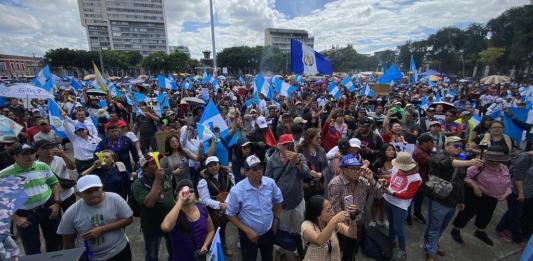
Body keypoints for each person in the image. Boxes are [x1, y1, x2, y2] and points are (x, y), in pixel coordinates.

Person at [423, 136, 484, 261]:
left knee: (441, 227)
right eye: (456, 146)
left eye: (460, 146)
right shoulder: (438, 157)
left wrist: (461, 200)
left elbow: (461, 182)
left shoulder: (459, 159)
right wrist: (470, 162)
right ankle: (430, 251)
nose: (459, 149)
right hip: (438, 200)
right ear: (447, 145)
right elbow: (446, 163)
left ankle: (432, 244)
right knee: (434, 227)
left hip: (452, 202)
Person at [0, 144, 62, 255]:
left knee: (55, 241)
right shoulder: (5, 174)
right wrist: (16, 218)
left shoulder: (42, 166)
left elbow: (54, 183)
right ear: (15, 157)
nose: (30, 157)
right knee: (32, 248)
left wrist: (56, 203)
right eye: (24, 154)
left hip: (47, 208)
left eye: (31, 153)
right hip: (24, 215)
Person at [57, 175, 133, 261]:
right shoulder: (71, 213)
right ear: (78, 194)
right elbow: (68, 241)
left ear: (102, 188)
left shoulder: (115, 199)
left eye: (97, 189)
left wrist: (102, 229)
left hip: (119, 252)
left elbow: (129, 219)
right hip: (90, 257)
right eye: (88, 192)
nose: (94, 194)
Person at [226, 155, 283, 261]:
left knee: (268, 257)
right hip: (249, 236)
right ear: (246, 172)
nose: (259, 172)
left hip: (268, 231)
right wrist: (247, 230)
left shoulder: (270, 183)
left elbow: (278, 201)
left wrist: (276, 219)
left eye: (261, 168)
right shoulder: (237, 191)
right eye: (255, 169)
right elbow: (230, 214)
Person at [451, 148, 512, 246]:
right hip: (476, 196)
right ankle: (456, 230)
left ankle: (480, 231)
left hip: (492, 198)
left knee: (486, 216)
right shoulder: (478, 167)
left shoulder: (504, 168)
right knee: (466, 214)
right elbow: (465, 177)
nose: (496, 162)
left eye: (498, 159)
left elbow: (508, 182)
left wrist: (506, 193)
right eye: (493, 159)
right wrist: (475, 186)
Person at [266, 133, 311, 257]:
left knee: (298, 227)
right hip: (281, 204)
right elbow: (268, 182)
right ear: (279, 146)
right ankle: (281, 246)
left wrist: (298, 162)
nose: (288, 147)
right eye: (285, 145)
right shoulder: (272, 161)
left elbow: (307, 174)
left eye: (290, 144)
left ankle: (299, 247)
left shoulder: (299, 157)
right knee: (283, 227)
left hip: (297, 201)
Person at [328, 154, 378, 261]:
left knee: (354, 248)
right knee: (345, 250)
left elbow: (379, 195)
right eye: (352, 169)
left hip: (359, 222)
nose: (357, 172)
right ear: (343, 170)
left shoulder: (363, 181)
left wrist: (372, 180)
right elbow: (335, 210)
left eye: (358, 169)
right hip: (344, 226)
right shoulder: (336, 183)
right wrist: (350, 215)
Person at [132, 152, 175, 261]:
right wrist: (157, 180)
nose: (157, 164)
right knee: (152, 254)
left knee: (174, 248)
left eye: (158, 161)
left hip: (170, 220)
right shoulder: (138, 184)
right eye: (153, 163)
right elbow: (149, 203)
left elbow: (171, 195)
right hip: (152, 225)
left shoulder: (166, 176)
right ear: (145, 167)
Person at [161, 179, 215, 261]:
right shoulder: (174, 215)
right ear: (175, 200)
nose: (186, 193)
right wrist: (180, 201)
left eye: (190, 190)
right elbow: (166, 227)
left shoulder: (203, 210)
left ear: (196, 195)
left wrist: (205, 246)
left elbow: (210, 230)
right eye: (180, 191)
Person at [382, 152, 422, 260]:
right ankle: (391, 241)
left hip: (400, 206)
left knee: (399, 229)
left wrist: (393, 193)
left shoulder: (416, 178)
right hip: (388, 200)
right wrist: (386, 183)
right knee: (391, 224)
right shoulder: (396, 168)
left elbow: (409, 194)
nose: (400, 170)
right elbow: (392, 180)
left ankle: (402, 250)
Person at [197, 156, 235, 256]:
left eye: (215, 164)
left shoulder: (228, 174)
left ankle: (223, 245)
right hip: (211, 211)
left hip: (225, 207)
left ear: (219, 164)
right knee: (211, 230)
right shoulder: (203, 181)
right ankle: (211, 250)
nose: (214, 167)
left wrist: (227, 202)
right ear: (207, 168)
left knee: (222, 228)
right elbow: (205, 199)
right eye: (210, 166)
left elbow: (233, 190)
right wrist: (219, 205)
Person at [300, 195, 358, 261]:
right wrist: (335, 220)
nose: (332, 212)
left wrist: (352, 218)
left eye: (331, 208)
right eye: (328, 210)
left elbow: (352, 234)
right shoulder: (306, 225)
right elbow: (319, 240)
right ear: (318, 215)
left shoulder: (330, 221)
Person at [496, 150, 533, 246]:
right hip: (516, 192)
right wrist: (521, 193)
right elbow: (517, 177)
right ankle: (518, 238)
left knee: (513, 212)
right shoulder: (525, 158)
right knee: (515, 215)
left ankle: (500, 228)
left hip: (527, 192)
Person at [34, 140, 77, 212]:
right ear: (37, 152)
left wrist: (63, 155)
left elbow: (73, 167)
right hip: (50, 199)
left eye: (50, 147)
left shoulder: (60, 158)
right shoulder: (35, 166)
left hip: (67, 194)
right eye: (44, 148)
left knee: (73, 219)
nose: (48, 150)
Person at [370, 143, 397, 228]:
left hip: (391, 187)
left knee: (385, 203)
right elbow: (372, 173)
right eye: (389, 150)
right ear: (384, 151)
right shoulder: (378, 162)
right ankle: (373, 219)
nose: (392, 152)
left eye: (393, 150)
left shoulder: (397, 162)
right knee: (376, 202)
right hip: (378, 186)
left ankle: (383, 219)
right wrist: (379, 177)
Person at [298, 128, 330, 199]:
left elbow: (326, 167)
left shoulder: (321, 150)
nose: (319, 140)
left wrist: (321, 174)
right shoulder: (300, 150)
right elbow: (297, 168)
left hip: (319, 186)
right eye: (317, 138)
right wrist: (309, 172)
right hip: (305, 187)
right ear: (310, 139)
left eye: (320, 138)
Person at [410, 133, 435, 224]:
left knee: (419, 199)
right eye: (431, 142)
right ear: (424, 143)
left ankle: (417, 213)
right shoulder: (419, 153)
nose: (433, 144)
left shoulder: (425, 150)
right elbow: (433, 162)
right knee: (412, 199)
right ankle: (408, 215)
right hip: (416, 180)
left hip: (422, 180)